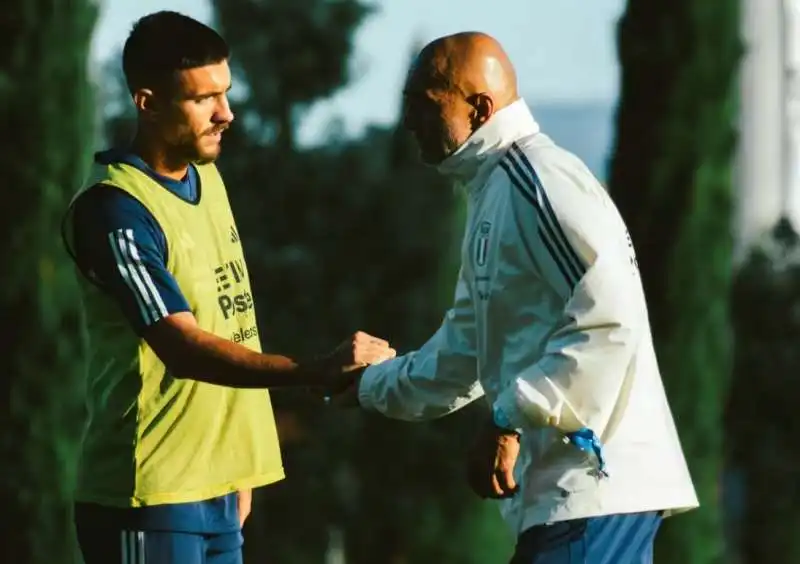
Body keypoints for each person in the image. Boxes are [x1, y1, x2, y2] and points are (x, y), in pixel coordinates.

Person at [343, 32, 699, 563]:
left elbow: (612, 321)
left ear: (480, 108)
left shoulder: (536, 182)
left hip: (592, 492)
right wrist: (361, 382)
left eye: (424, 103)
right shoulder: (493, 191)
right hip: (567, 503)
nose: (409, 120)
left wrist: (507, 417)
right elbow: (463, 354)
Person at [61, 11, 394, 564]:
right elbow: (181, 346)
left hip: (219, 491)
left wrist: (238, 465)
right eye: (204, 99)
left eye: (227, 93)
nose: (226, 113)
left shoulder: (206, 176)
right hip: (151, 496)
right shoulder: (112, 210)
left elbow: (228, 317)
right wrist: (313, 371)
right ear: (148, 102)